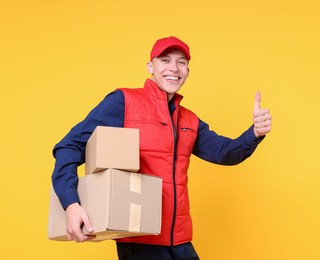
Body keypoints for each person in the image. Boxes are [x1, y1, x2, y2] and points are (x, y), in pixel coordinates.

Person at [51, 36, 272, 260]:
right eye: (165, 60)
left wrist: (255, 132)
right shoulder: (124, 101)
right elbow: (69, 146)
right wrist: (71, 204)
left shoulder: (190, 120)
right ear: (150, 66)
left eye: (181, 62)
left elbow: (226, 152)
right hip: (141, 241)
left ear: (187, 71)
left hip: (181, 241)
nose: (173, 68)